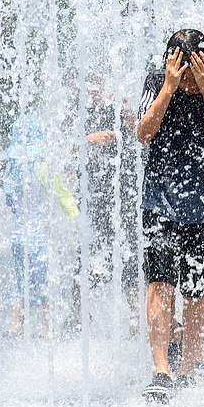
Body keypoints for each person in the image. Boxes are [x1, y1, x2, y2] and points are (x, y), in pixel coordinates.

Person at [136, 29, 204, 402]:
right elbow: (144, 132)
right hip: (159, 199)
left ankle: (190, 365)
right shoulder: (157, 82)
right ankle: (161, 368)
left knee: (197, 287)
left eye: (195, 74)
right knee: (160, 283)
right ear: (172, 64)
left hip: (202, 201)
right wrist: (169, 88)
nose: (189, 82)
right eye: (184, 74)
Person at [3, 114, 80, 338]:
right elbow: (62, 196)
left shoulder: (12, 169)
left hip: (17, 239)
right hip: (40, 240)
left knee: (21, 285)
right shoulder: (41, 165)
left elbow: (10, 202)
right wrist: (76, 220)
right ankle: (48, 329)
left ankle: (15, 326)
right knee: (48, 285)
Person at [83, 73, 142, 335]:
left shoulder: (115, 104)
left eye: (99, 80)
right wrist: (92, 138)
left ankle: (134, 314)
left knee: (129, 250)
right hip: (91, 194)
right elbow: (66, 146)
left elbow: (137, 129)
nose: (96, 87)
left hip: (123, 191)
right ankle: (79, 314)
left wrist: (124, 103)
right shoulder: (78, 110)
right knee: (86, 253)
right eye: (90, 81)